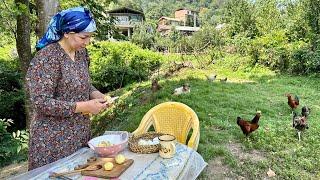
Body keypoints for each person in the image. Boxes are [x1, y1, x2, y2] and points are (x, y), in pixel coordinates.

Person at [26, 7, 110, 170]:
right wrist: (83, 106)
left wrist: (96, 94)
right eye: (83, 37)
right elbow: (40, 102)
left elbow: (84, 83)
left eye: (90, 37)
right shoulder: (47, 58)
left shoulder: (81, 54)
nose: (87, 42)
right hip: (52, 140)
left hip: (79, 135)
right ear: (67, 32)